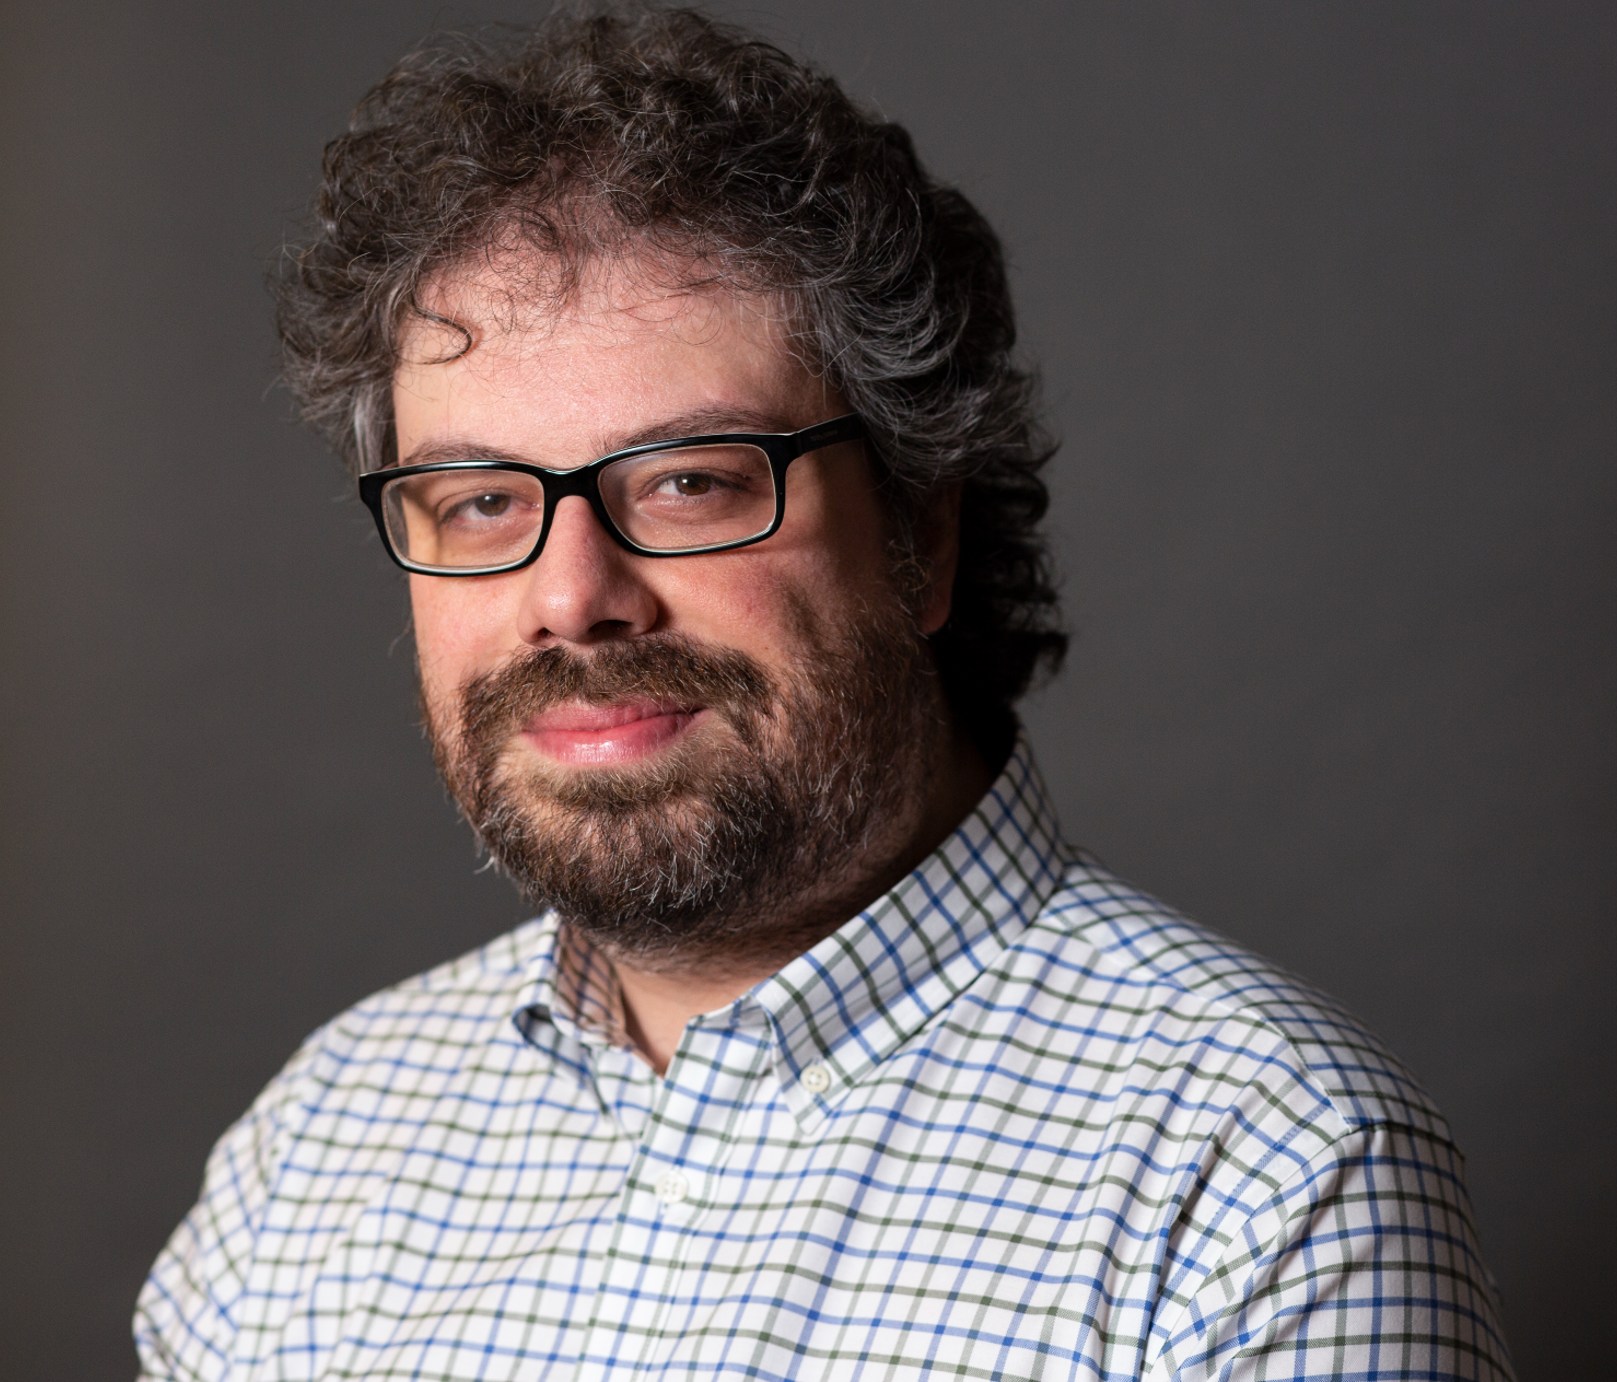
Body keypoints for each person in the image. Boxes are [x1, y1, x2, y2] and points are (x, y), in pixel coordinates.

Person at [137, 8, 1512, 1378]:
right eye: (482, 500)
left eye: (690, 481)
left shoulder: (1261, 1183)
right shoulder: (311, 1157)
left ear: (923, 533)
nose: (570, 594)